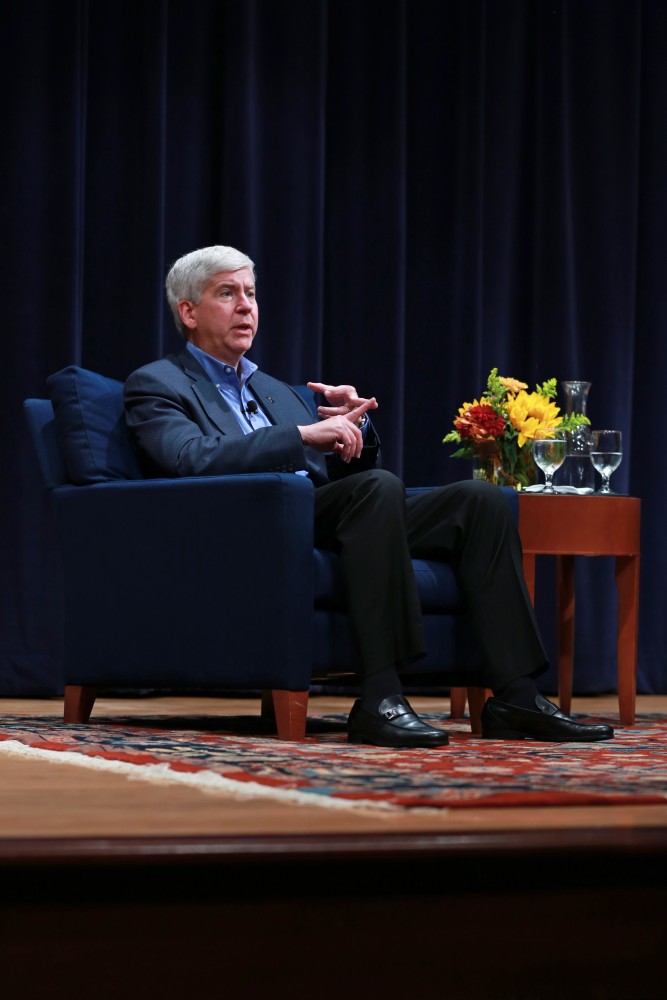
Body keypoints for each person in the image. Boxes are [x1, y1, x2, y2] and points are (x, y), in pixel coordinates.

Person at [124, 245, 614, 748]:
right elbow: (188, 457)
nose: (247, 306)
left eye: (250, 293)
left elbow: (348, 477)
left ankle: (515, 695)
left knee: (479, 500)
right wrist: (301, 435)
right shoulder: (157, 383)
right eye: (227, 294)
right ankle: (380, 695)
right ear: (188, 311)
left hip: (317, 510)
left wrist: (354, 429)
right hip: (250, 522)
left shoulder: (274, 389)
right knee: (376, 491)